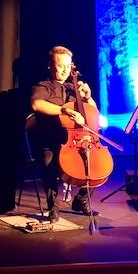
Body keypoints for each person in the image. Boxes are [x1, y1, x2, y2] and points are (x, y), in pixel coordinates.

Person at [29, 45, 98, 221]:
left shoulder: (73, 88)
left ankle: (81, 200)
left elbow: (93, 114)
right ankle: (53, 207)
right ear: (50, 65)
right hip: (51, 141)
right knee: (48, 162)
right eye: (61, 66)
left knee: (96, 163)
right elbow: (36, 104)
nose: (66, 70)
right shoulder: (43, 87)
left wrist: (88, 97)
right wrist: (63, 110)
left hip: (74, 141)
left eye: (68, 66)